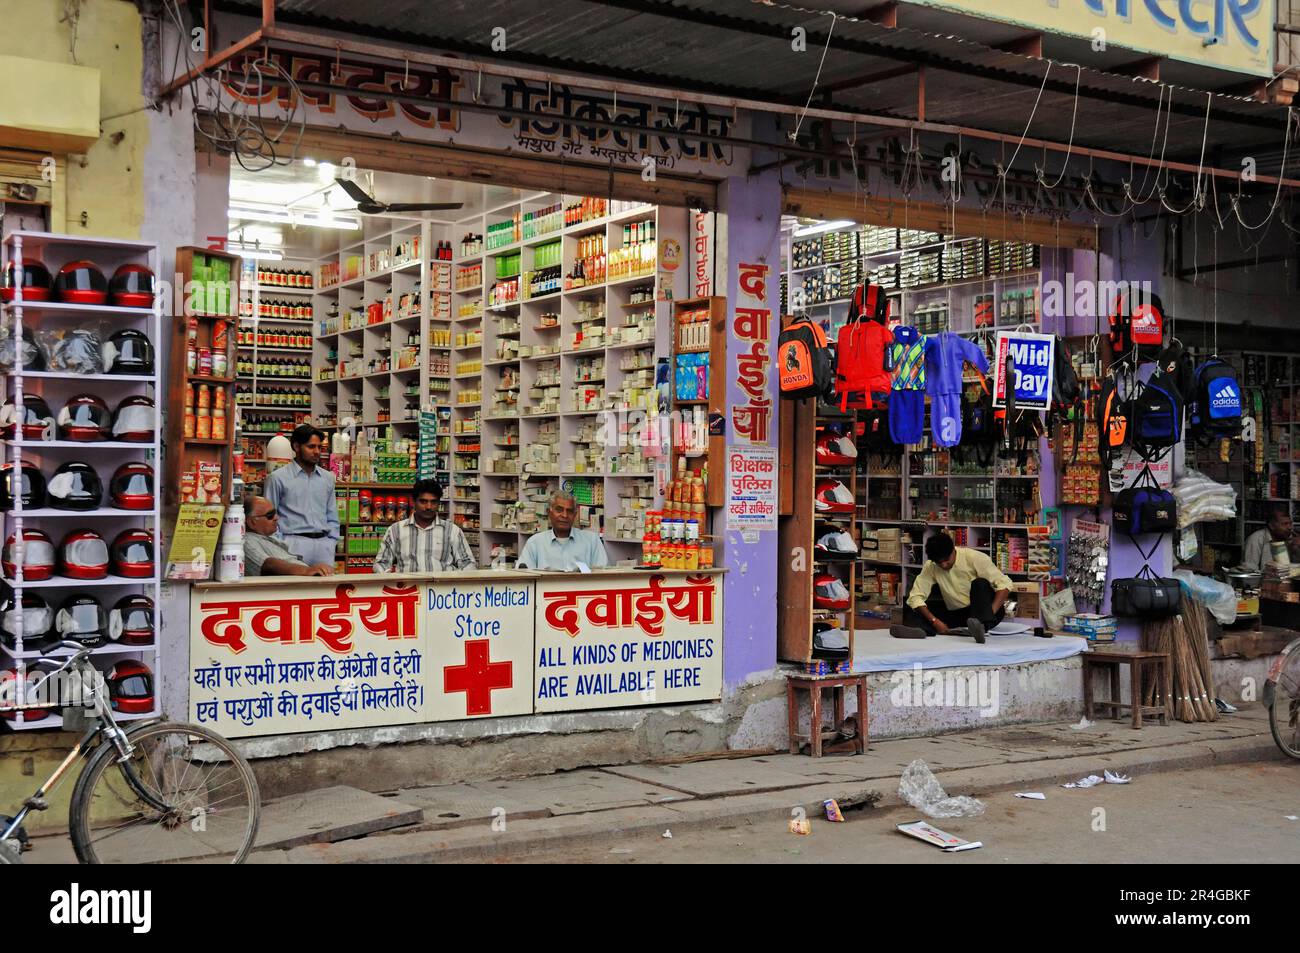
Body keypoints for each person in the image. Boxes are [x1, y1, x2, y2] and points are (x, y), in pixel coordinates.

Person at [892, 532, 1013, 644]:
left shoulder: (974, 558)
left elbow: (1004, 584)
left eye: (947, 560)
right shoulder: (931, 566)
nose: (944, 565)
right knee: (914, 606)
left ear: (953, 550)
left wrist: (989, 613)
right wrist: (935, 621)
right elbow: (916, 596)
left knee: (979, 583)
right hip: (959, 613)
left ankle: (980, 627)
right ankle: (921, 630)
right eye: (940, 563)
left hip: (987, 612)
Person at [264, 424, 339, 569]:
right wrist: (281, 543)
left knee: (325, 590)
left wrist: (331, 541)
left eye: (319, 447)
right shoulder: (277, 478)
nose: (317, 452)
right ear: (296, 447)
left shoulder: (327, 478)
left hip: (324, 545)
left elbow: (332, 514)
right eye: (311, 447)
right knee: (293, 590)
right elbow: (268, 516)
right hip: (292, 544)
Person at [373, 478, 476, 573]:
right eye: (423, 501)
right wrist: (390, 579)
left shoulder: (452, 531)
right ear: (414, 502)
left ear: (438, 503)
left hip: (441, 591)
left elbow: (467, 564)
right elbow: (381, 563)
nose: (428, 506)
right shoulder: (396, 530)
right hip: (408, 590)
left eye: (433, 502)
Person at [243, 493, 334, 577]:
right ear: (252, 522)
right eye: (270, 515)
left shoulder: (268, 538)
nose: (276, 518)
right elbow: (267, 564)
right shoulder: (247, 540)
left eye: (275, 513)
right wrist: (306, 571)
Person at [517, 490, 608, 571]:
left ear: (575, 515)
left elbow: (603, 575)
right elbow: (525, 576)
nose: (564, 515)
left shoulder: (592, 541)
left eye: (569, 511)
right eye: (559, 510)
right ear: (549, 512)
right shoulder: (535, 543)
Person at [1242, 506, 1300, 572]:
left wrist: (1297, 548)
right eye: (1285, 524)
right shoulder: (1256, 539)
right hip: (1263, 581)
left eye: (1290, 523)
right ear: (1271, 526)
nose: (1290, 528)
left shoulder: (1292, 538)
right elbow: (1249, 570)